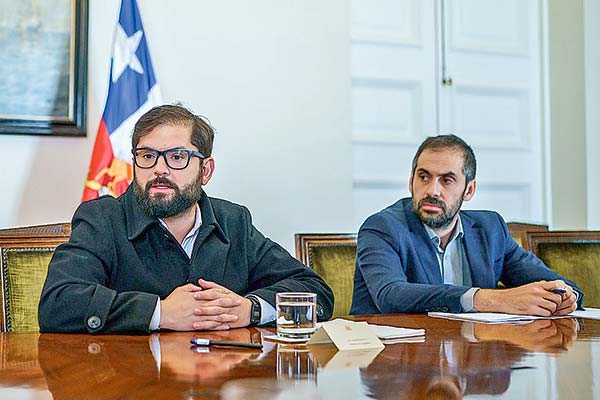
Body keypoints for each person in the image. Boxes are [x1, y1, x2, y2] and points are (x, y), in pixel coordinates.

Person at [38, 104, 333, 333]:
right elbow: (59, 304)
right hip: (132, 383)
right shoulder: (101, 218)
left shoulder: (233, 220)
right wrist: (160, 313)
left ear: (206, 171)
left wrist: (250, 309)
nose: (159, 169)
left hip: (217, 382)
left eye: (177, 157)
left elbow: (315, 292)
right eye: (147, 156)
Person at [351, 134, 583, 316]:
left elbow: (554, 283)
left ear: (469, 190)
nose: (432, 190)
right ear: (411, 181)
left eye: (447, 180)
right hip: (397, 364)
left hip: (472, 362)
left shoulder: (490, 229)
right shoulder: (382, 228)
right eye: (424, 177)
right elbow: (391, 295)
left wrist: (564, 296)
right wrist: (487, 299)